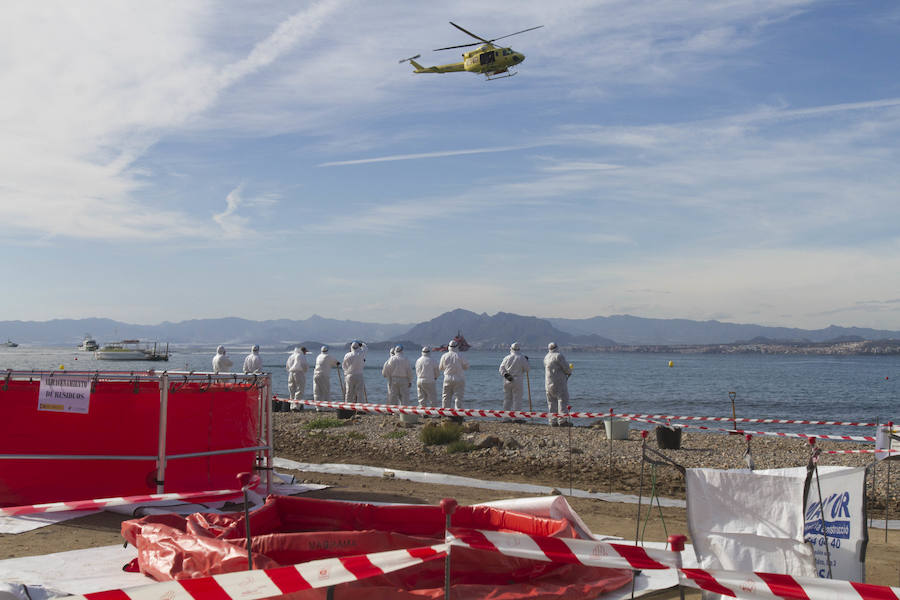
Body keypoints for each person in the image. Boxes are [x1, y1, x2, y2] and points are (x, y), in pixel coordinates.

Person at [499, 342, 529, 422]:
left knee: (507, 399)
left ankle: (505, 418)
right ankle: (517, 418)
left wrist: (506, 375)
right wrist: (526, 361)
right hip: (517, 380)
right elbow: (527, 369)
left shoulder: (506, 358)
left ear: (511, 349)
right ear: (519, 349)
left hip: (507, 379)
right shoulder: (521, 357)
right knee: (517, 399)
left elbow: (501, 369)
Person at [543, 342, 572, 426]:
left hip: (548, 383)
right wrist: (570, 371)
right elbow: (566, 368)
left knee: (551, 402)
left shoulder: (546, 357)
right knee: (562, 400)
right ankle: (562, 421)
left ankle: (552, 421)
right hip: (559, 383)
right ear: (557, 347)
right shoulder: (559, 356)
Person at [439, 338, 469, 413]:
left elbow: (441, 368)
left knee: (446, 397)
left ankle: (445, 414)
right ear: (457, 347)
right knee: (458, 398)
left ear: (449, 347)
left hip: (447, 378)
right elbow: (466, 367)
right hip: (459, 378)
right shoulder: (460, 355)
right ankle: (458, 414)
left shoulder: (444, 356)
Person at [285, 346, 309, 410]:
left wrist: (290, 370)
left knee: (292, 389)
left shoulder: (291, 356)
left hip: (291, 373)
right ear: (303, 351)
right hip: (299, 373)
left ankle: (291, 406)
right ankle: (296, 406)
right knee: (300, 389)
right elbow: (305, 365)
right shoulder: (301, 356)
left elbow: (287, 366)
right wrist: (304, 371)